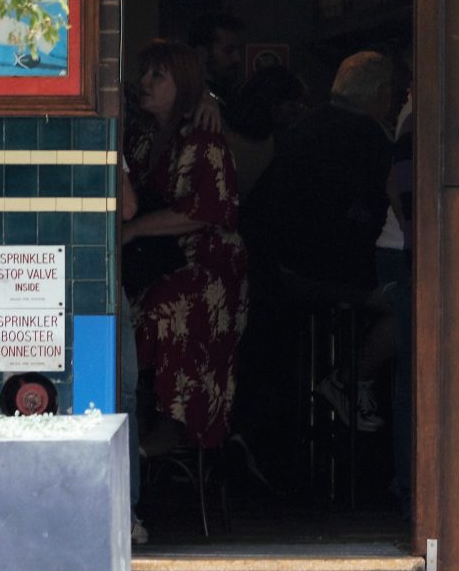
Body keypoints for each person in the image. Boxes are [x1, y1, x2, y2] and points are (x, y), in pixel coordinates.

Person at [121, 39, 248, 464]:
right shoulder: (141, 137)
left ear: (184, 83)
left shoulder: (203, 136)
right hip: (154, 263)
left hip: (206, 264)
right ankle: (130, 416)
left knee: (166, 307)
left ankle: (172, 428)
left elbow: (207, 209)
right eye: (145, 73)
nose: (144, 83)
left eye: (158, 75)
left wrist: (136, 229)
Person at [244, 51, 397, 299]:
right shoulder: (368, 135)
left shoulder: (304, 125)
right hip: (333, 267)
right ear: (381, 91)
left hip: (284, 263)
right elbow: (367, 206)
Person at [223, 63, 307, 204]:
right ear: (272, 102)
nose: (300, 110)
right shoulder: (224, 141)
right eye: (293, 103)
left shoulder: (276, 141)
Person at [187, 12, 246, 109]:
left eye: (238, 50)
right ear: (202, 53)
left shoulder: (234, 96)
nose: (237, 58)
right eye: (229, 51)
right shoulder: (194, 102)